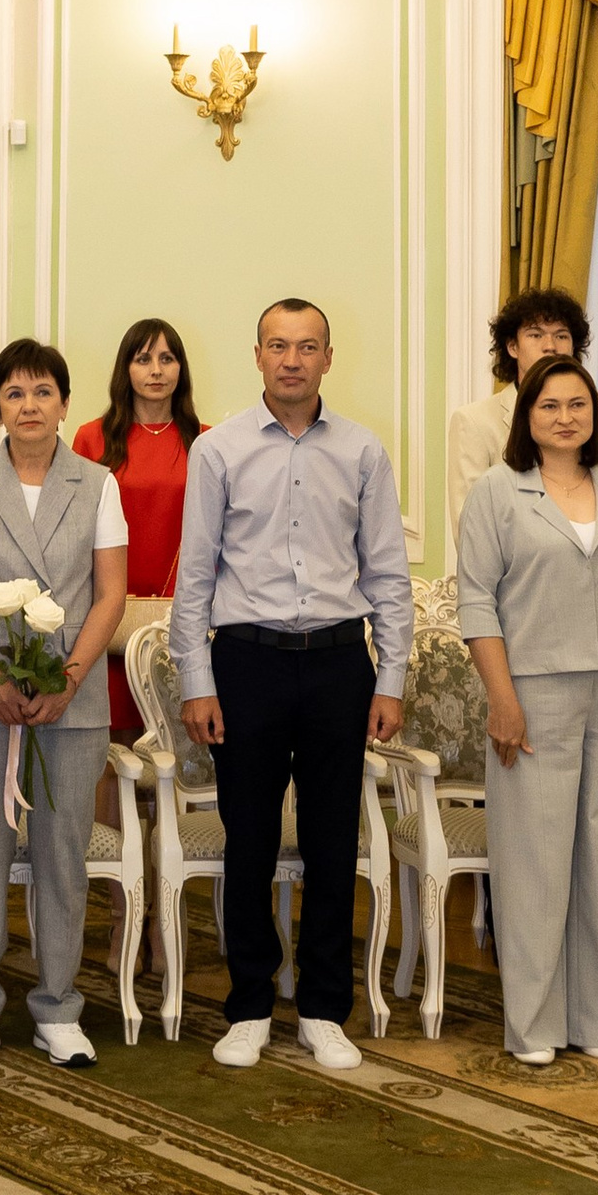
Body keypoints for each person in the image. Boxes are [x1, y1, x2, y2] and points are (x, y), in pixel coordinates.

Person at [172, 298, 412, 1073]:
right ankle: (247, 1005)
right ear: (257, 355)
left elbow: (388, 574)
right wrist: (197, 681)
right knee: (247, 837)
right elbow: (195, 576)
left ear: (328, 359)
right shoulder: (218, 450)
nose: (292, 360)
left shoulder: (365, 451)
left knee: (332, 840)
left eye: (307, 347)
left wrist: (392, 678)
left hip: (342, 663)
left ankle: (321, 1008)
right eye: (278, 345)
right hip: (247, 662)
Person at [458, 358, 598, 1065]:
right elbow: (476, 603)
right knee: (535, 863)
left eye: (577, 403)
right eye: (548, 405)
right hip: (531, 691)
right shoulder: (498, 491)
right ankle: (536, 1026)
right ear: (526, 415)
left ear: (595, 413)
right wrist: (502, 698)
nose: (564, 416)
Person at [0, 339, 130, 1068]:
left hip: (70, 702)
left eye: (43, 392)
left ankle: (58, 1007)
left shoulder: (97, 483)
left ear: (65, 404)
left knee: (61, 856)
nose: (30, 406)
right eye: (14, 394)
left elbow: (112, 594)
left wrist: (69, 677)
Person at [73, 317, 202, 744]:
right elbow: (75, 532)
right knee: (111, 745)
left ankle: (179, 818)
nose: (156, 370)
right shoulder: (92, 439)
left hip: (182, 617)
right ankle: (110, 818)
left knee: (183, 742)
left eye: (167, 359)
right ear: (125, 369)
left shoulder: (206, 442)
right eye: (143, 359)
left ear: (181, 370)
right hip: (108, 612)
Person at [446, 286, 598, 552]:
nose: (550, 346)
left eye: (561, 336)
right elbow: (471, 533)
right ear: (513, 346)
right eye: (535, 334)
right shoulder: (474, 422)